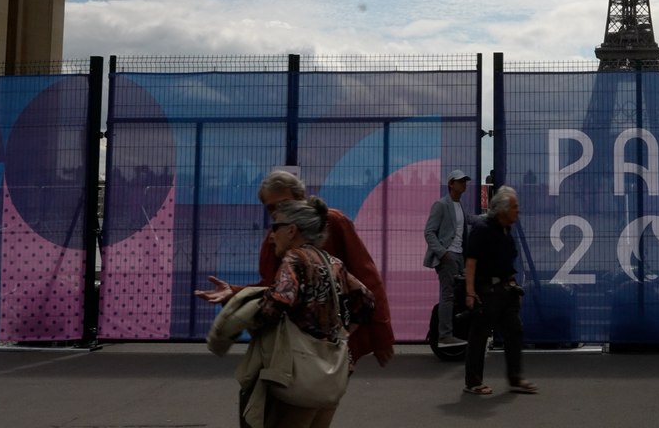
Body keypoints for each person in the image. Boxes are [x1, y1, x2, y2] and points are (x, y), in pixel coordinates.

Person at [196, 170, 394, 367]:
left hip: (315, 342)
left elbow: (368, 280)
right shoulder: (274, 239)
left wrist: (380, 335)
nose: (275, 213)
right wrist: (235, 292)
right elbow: (271, 286)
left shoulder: (332, 223)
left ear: (301, 198)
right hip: (299, 342)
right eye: (270, 208)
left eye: (282, 204)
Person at [251, 197, 373, 428]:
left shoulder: (294, 258)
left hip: (301, 374)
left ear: (292, 230)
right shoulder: (332, 262)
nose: (271, 236)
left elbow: (278, 302)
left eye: (275, 227)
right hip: (333, 372)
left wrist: (249, 321)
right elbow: (366, 300)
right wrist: (344, 333)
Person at [462, 186, 536, 396]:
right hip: (486, 291)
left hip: (506, 291)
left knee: (514, 331)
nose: (517, 211)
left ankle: (515, 378)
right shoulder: (482, 228)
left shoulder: (506, 230)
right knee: (479, 336)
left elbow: (506, 262)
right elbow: (471, 262)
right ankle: (473, 382)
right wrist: (470, 292)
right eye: (514, 207)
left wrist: (512, 284)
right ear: (503, 209)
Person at [424, 169, 472, 346]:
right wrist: (442, 253)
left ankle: (457, 331)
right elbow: (429, 232)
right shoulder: (441, 205)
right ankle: (444, 335)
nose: (464, 184)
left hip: (460, 255)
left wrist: (490, 217)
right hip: (448, 255)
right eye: (460, 181)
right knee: (448, 295)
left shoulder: (460, 206)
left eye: (465, 181)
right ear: (451, 184)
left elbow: (470, 221)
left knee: (459, 295)